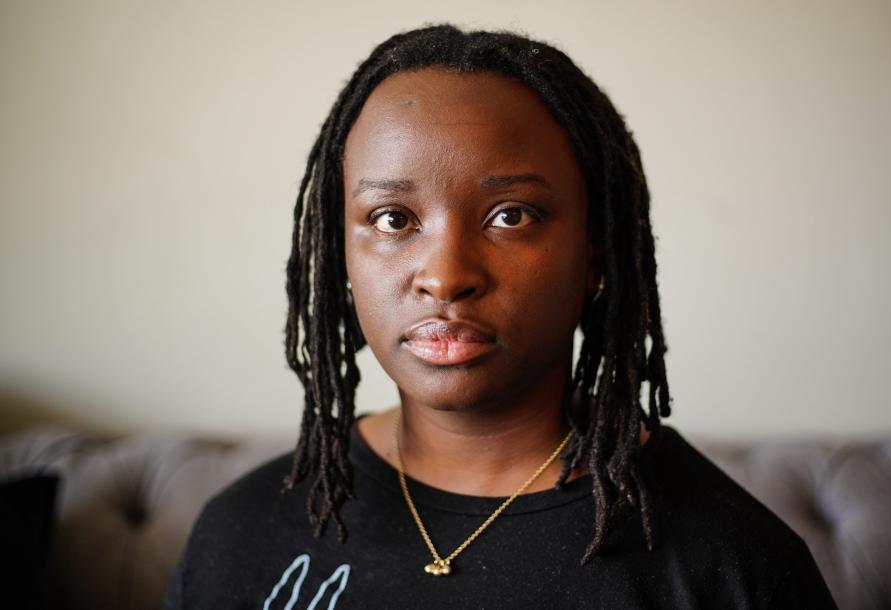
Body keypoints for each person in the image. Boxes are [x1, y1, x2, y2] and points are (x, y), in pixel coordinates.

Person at [164, 24, 837, 608]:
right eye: (393, 219)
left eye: (511, 216)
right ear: (339, 249)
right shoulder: (241, 531)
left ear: (595, 250)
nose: (446, 276)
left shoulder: (734, 566)